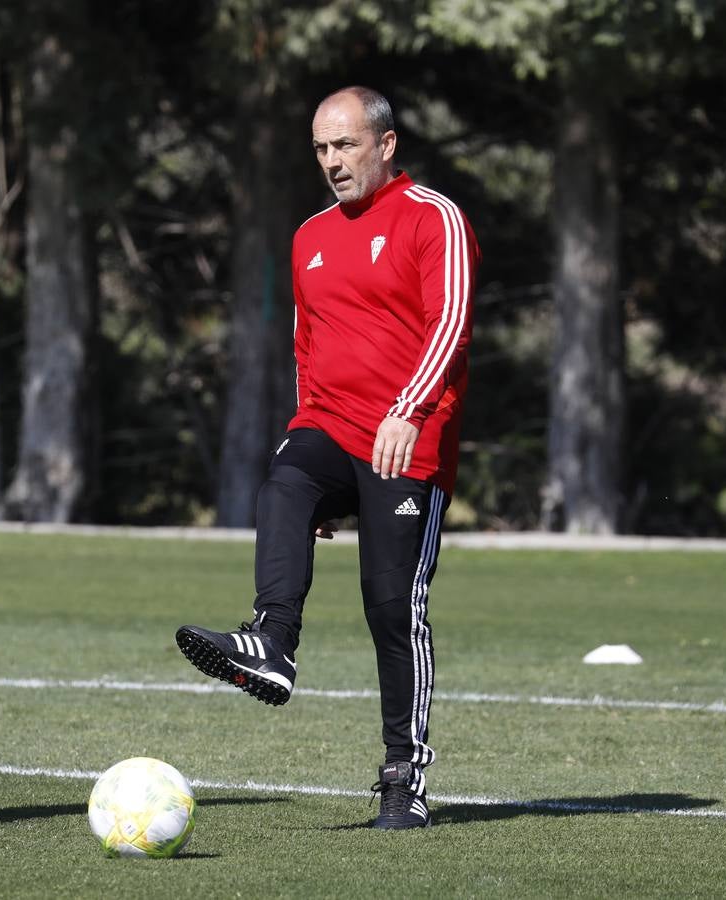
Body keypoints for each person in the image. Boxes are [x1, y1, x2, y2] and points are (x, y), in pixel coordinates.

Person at [177, 86, 480, 830]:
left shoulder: (433, 217)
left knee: (392, 610)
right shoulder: (309, 235)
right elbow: (306, 351)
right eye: (320, 148)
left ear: (385, 144)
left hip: (409, 444)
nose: (332, 162)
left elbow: (453, 326)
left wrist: (408, 410)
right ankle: (272, 643)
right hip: (332, 426)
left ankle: (402, 783)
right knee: (283, 485)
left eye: (344, 145)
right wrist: (309, 459)